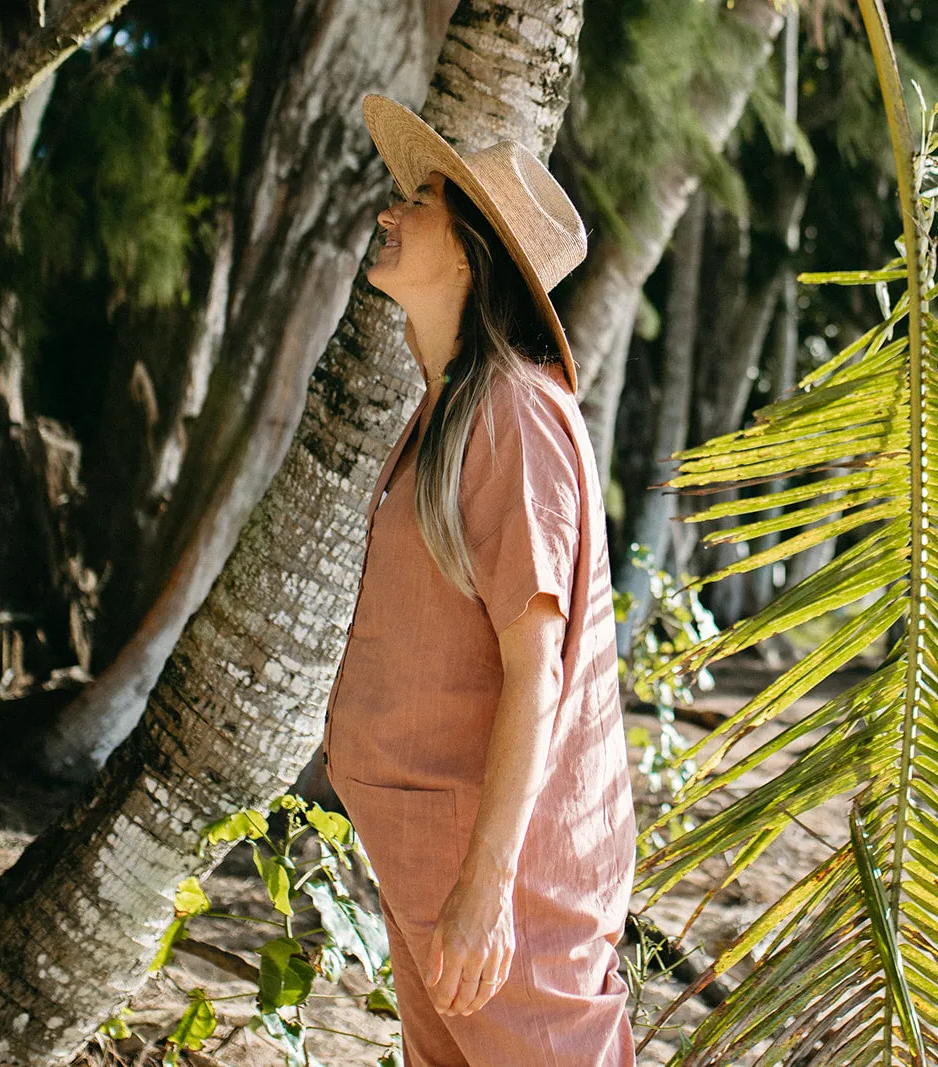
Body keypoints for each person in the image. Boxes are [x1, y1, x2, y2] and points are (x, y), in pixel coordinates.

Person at [319, 93, 637, 1066]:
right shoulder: (461, 409)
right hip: (435, 856)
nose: (388, 212)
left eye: (417, 199)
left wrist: (486, 882)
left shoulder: (511, 415)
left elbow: (535, 663)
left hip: (501, 875)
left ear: (468, 252)